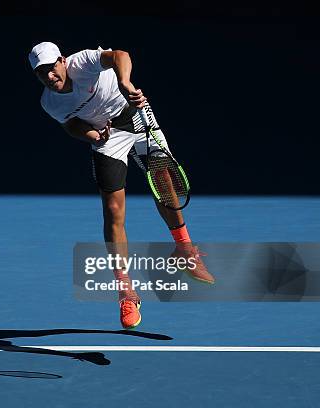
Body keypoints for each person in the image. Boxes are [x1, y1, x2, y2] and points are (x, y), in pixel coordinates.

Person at [28, 42, 214, 329]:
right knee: (113, 210)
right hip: (107, 137)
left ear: (63, 61)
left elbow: (119, 56)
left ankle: (184, 249)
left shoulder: (84, 62)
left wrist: (125, 82)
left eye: (52, 67)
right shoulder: (49, 102)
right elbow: (71, 125)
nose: (49, 76)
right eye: (41, 73)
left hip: (136, 116)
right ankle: (126, 291)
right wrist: (90, 134)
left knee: (164, 181)